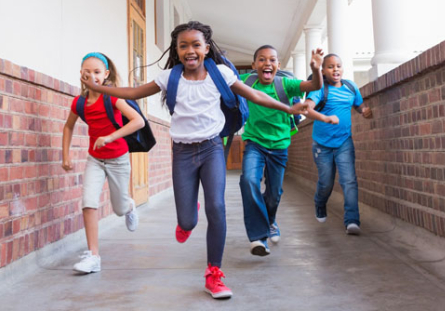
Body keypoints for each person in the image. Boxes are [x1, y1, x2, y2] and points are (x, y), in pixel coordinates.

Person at [81, 21, 308, 299]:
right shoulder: (169, 77)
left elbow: (256, 95)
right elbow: (133, 93)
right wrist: (101, 88)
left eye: (196, 45)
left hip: (212, 148)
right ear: (177, 50)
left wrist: (288, 107)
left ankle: (214, 274)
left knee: (217, 206)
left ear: (206, 48)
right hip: (183, 153)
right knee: (187, 222)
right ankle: (188, 215)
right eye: (183, 45)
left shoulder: (220, 73)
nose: (190, 50)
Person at [62, 52, 144, 274]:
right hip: (95, 160)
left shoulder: (113, 98)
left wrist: (110, 137)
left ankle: (129, 205)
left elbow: (138, 121)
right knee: (88, 202)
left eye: (97, 72)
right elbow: (68, 126)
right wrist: (65, 156)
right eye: (87, 72)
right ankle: (93, 256)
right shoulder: (79, 102)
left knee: (118, 209)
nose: (92, 76)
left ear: (106, 74)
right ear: (81, 74)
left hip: (118, 159)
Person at [239, 45, 324, 256]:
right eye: (261, 59)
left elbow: (314, 84)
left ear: (278, 65)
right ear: (253, 66)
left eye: (272, 60)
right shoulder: (246, 83)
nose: (267, 63)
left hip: (279, 146)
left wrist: (316, 69)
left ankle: (271, 221)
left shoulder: (285, 84)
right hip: (254, 143)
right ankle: (258, 238)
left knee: (274, 194)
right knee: (249, 180)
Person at [304, 53, 372, 235]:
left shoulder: (350, 87)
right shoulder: (320, 89)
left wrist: (365, 111)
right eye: (331, 67)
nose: (336, 70)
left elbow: (359, 105)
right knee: (326, 182)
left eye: (339, 66)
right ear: (323, 71)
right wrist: (324, 117)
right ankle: (320, 203)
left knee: (349, 180)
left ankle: (352, 220)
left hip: (344, 142)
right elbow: (307, 108)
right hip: (322, 144)